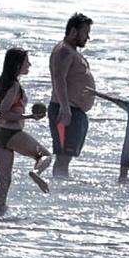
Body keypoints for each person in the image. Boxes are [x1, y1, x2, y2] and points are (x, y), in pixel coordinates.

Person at [0, 46, 53, 216]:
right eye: (26, 62)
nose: (29, 65)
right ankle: (36, 172)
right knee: (45, 155)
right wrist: (29, 117)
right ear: (17, 65)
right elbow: (4, 112)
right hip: (10, 133)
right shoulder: (15, 86)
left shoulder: (3, 81)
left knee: (4, 181)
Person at [47, 13, 96, 180]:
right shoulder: (64, 51)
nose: (88, 37)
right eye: (85, 33)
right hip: (66, 110)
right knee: (62, 157)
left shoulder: (72, 51)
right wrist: (65, 107)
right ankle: (58, 192)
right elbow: (58, 78)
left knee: (66, 158)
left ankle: (62, 185)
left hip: (75, 111)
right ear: (74, 32)